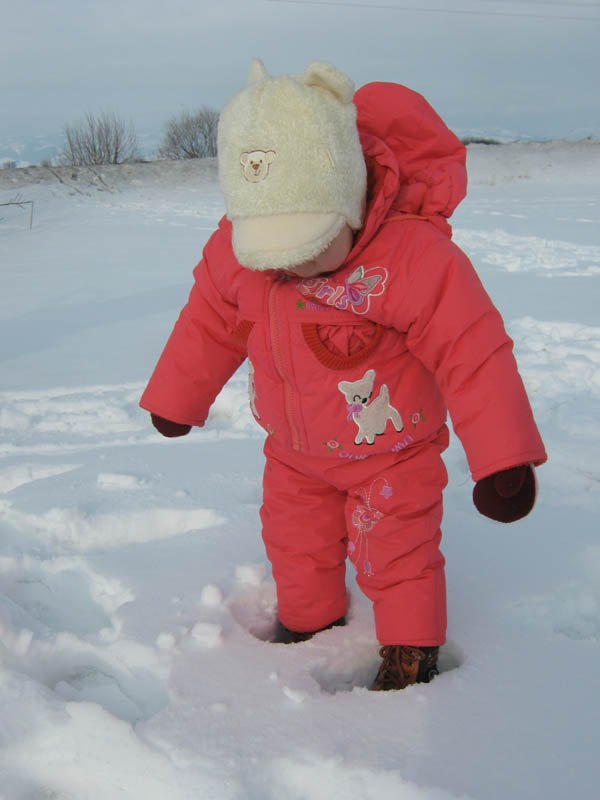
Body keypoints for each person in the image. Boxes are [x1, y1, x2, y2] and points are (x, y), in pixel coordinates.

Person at [140, 60, 547, 691]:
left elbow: (473, 351)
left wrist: (503, 457)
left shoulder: (409, 258)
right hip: (294, 454)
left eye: (307, 243)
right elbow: (210, 322)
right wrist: (177, 395)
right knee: (294, 546)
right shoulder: (237, 255)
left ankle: (411, 652)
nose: (289, 264)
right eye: (271, 248)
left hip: (392, 455)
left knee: (400, 553)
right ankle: (308, 628)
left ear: (348, 200)